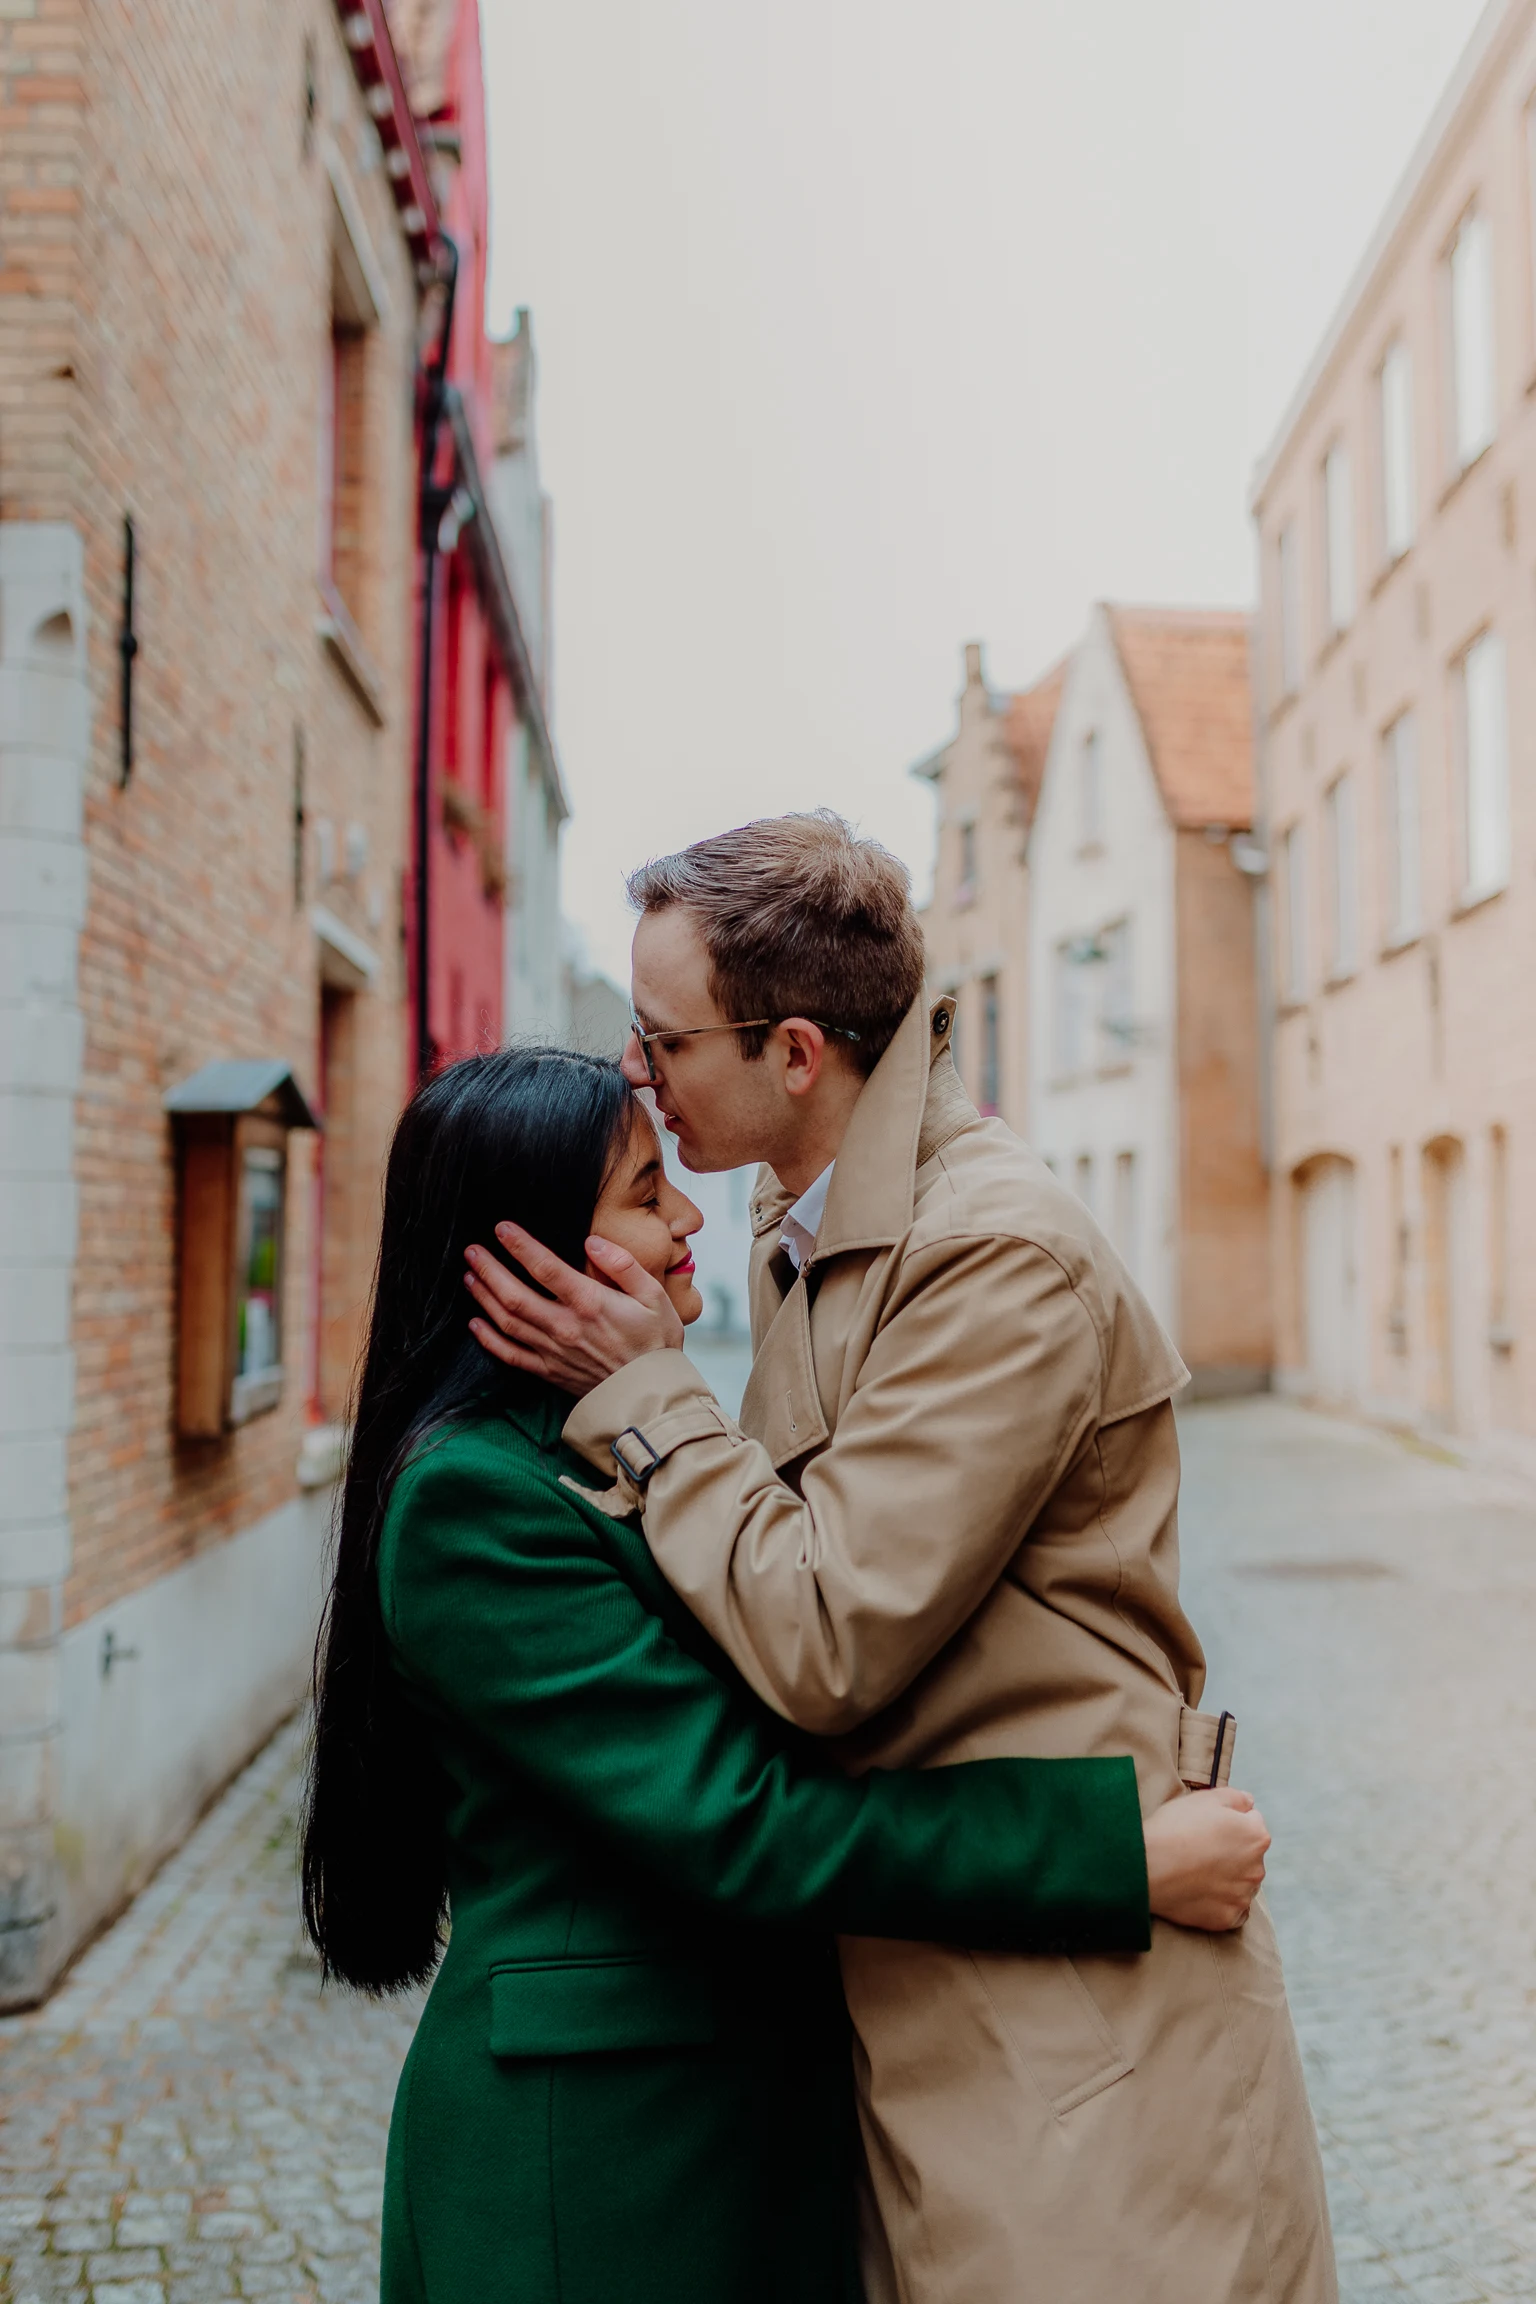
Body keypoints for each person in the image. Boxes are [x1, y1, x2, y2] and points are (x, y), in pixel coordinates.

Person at [464, 812, 1338, 2304]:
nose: (635, 1071)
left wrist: (646, 1396)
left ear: (796, 1053)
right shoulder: (796, 1228)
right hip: (920, 2006)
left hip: (1077, 2053)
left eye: (664, 1038)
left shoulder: (995, 1255)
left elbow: (822, 1638)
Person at [300, 1045, 1266, 2304]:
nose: (692, 1216)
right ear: (534, 1250)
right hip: (594, 2167)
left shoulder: (609, 1436)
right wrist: (1121, 1857)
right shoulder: (471, 1505)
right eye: (648, 1196)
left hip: (720, 2127)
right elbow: (745, 1821)